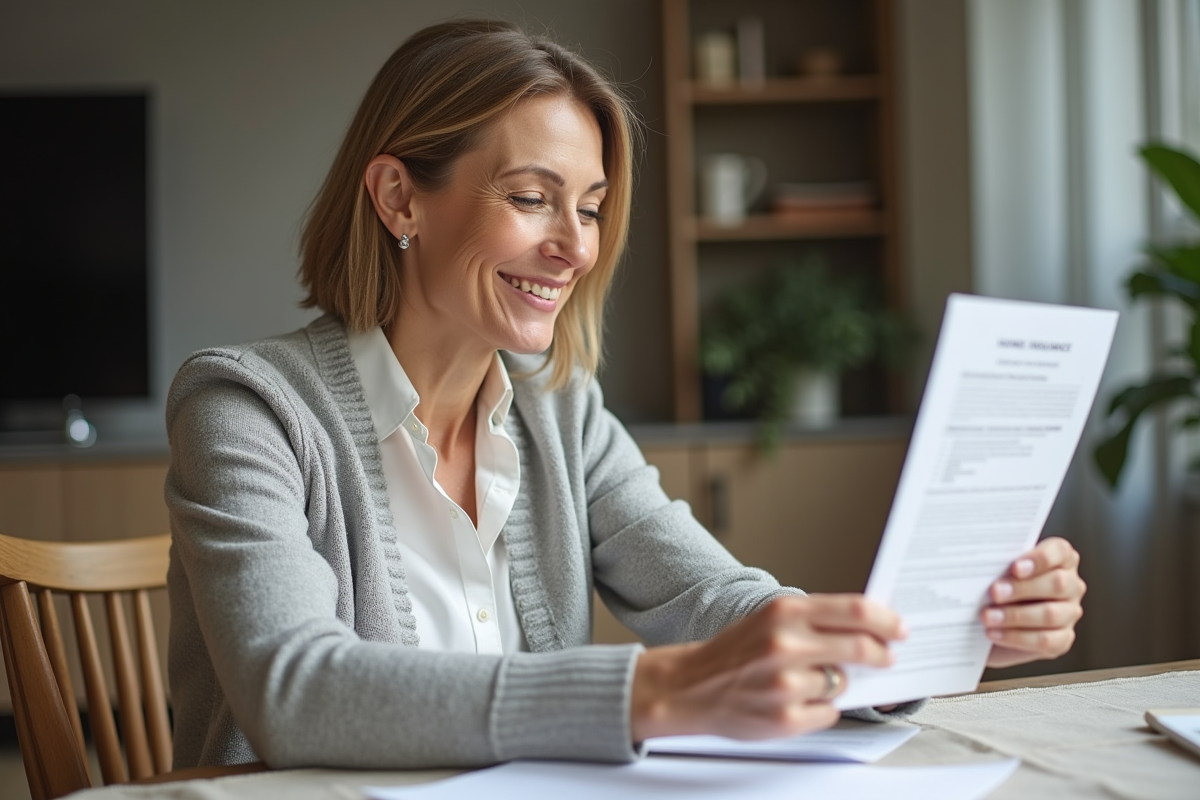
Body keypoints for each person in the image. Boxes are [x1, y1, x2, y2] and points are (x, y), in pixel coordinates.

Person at [165, 19, 1087, 770]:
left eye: (593, 206)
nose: (576, 246)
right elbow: (294, 691)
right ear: (400, 198)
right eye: (533, 197)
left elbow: (713, 598)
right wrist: (654, 692)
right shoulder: (247, 408)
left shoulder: (559, 410)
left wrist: (911, 644)